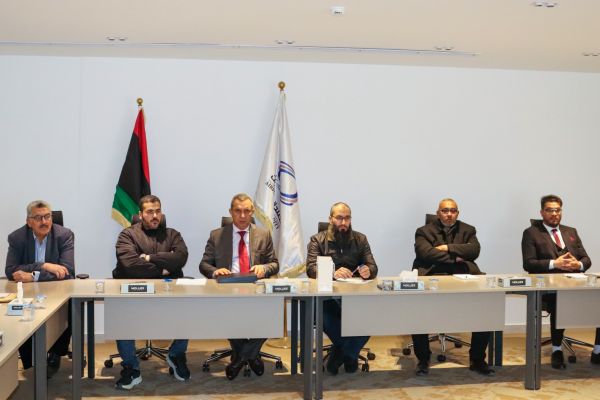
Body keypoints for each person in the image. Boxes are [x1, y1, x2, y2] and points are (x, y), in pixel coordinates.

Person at [113, 194, 190, 389]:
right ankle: (131, 367)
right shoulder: (127, 235)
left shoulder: (173, 234)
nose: (154, 216)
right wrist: (163, 268)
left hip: (168, 291)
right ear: (140, 215)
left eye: (157, 211)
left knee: (188, 307)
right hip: (134, 291)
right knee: (121, 314)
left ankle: (176, 355)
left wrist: (148, 258)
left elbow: (180, 258)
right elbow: (130, 264)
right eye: (149, 212)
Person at [199, 193, 279, 380]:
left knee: (273, 312)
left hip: (256, 288)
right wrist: (215, 271)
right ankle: (251, 355)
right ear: (231, 212)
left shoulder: (263, 234)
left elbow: (275, 264)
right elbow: (204, 264)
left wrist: (264, 268)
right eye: (238, 211)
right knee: (227, 313)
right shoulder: (217, 235)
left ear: (252, 212)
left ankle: (241, 357)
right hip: (228, 290)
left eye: (246, 211)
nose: (242, 215)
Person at [411, 198, 494, 376]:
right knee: (417, 314)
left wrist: (447, 247)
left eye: (453, 211)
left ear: (458, 213)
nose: (449, 214)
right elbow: (425, 253)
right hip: (432, 277)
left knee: (485, 310)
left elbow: (474, 251)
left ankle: (477, 359)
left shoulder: (468, 230)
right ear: (438, 213)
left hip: (463, 277)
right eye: (445, 211)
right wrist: (457, 256)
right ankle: (423, 359)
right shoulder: (423, 231)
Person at [522, 194, 600, 369]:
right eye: (550, 210)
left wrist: (578, 264)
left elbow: (586, 259)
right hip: (549, 286)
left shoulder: (570, 231)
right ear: (542, 212)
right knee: (560, 300)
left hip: (576, 283)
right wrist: (554, 263)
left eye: (558, 210)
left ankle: (598, 350)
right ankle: (556, 349)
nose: (554, 214)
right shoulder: (531, 233)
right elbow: (528, 263)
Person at [306, 202, 378, 375]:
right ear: (330, 219)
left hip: (355, 297)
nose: (343, 222)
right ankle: (350, 356)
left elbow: (373, 266)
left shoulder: (360, 239)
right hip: (328, 298)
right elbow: (310, 269)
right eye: (339, 218)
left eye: (347, 218)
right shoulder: (317, 240)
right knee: (324, 315)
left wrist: (368, 271)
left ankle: (339, 355)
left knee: (371, 317)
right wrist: (332, 273)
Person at [5, 200, 74, 378]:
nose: (44, 222)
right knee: (20, 311)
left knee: (72, 307)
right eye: (38, 218)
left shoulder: (64, 235)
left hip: (57, 290)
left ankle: (56, 353)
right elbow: (11, 270)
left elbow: (68, 271)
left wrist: (34, 275)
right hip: (29, 293)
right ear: (29, 222)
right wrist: (44, 265)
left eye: (47, 217)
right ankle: (31, 362)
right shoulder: (17, 237)